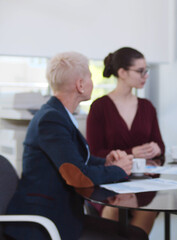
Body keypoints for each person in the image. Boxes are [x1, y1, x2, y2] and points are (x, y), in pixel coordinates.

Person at [4, 52, 148, 240]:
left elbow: (75, 159)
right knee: (133, 237)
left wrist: (105, 162)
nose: (91, 81)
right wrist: (117, 170)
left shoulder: (59, 115)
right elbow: (77, 176)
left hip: (62, 215)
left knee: (136, 234)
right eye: (89, 75)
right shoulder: (51, 119)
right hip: (44, 223)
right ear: (80, 85)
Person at [86, 47, 165, 234]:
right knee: (112, 213)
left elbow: (161, 145)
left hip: (143, 182)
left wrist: (156, 149)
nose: (145, 75)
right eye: (140, 71)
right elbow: (94, 153)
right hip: (109, 184)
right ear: (122, 72)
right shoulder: (99, 107)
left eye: (146, 70)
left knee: (147, 213)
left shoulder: (147, 107)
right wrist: (132, 153)